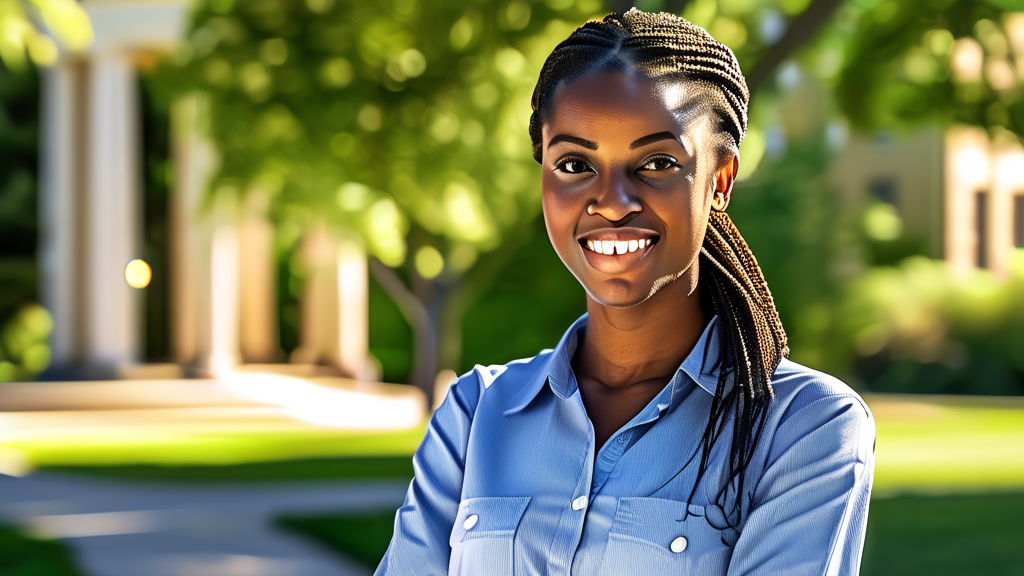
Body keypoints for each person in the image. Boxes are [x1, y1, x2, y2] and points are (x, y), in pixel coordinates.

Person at [375, 9, 874, 576]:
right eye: (574, 164)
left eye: (657, 163)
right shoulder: (476, 412)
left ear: (721, 180)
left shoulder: (803, 426)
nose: (612, 201)